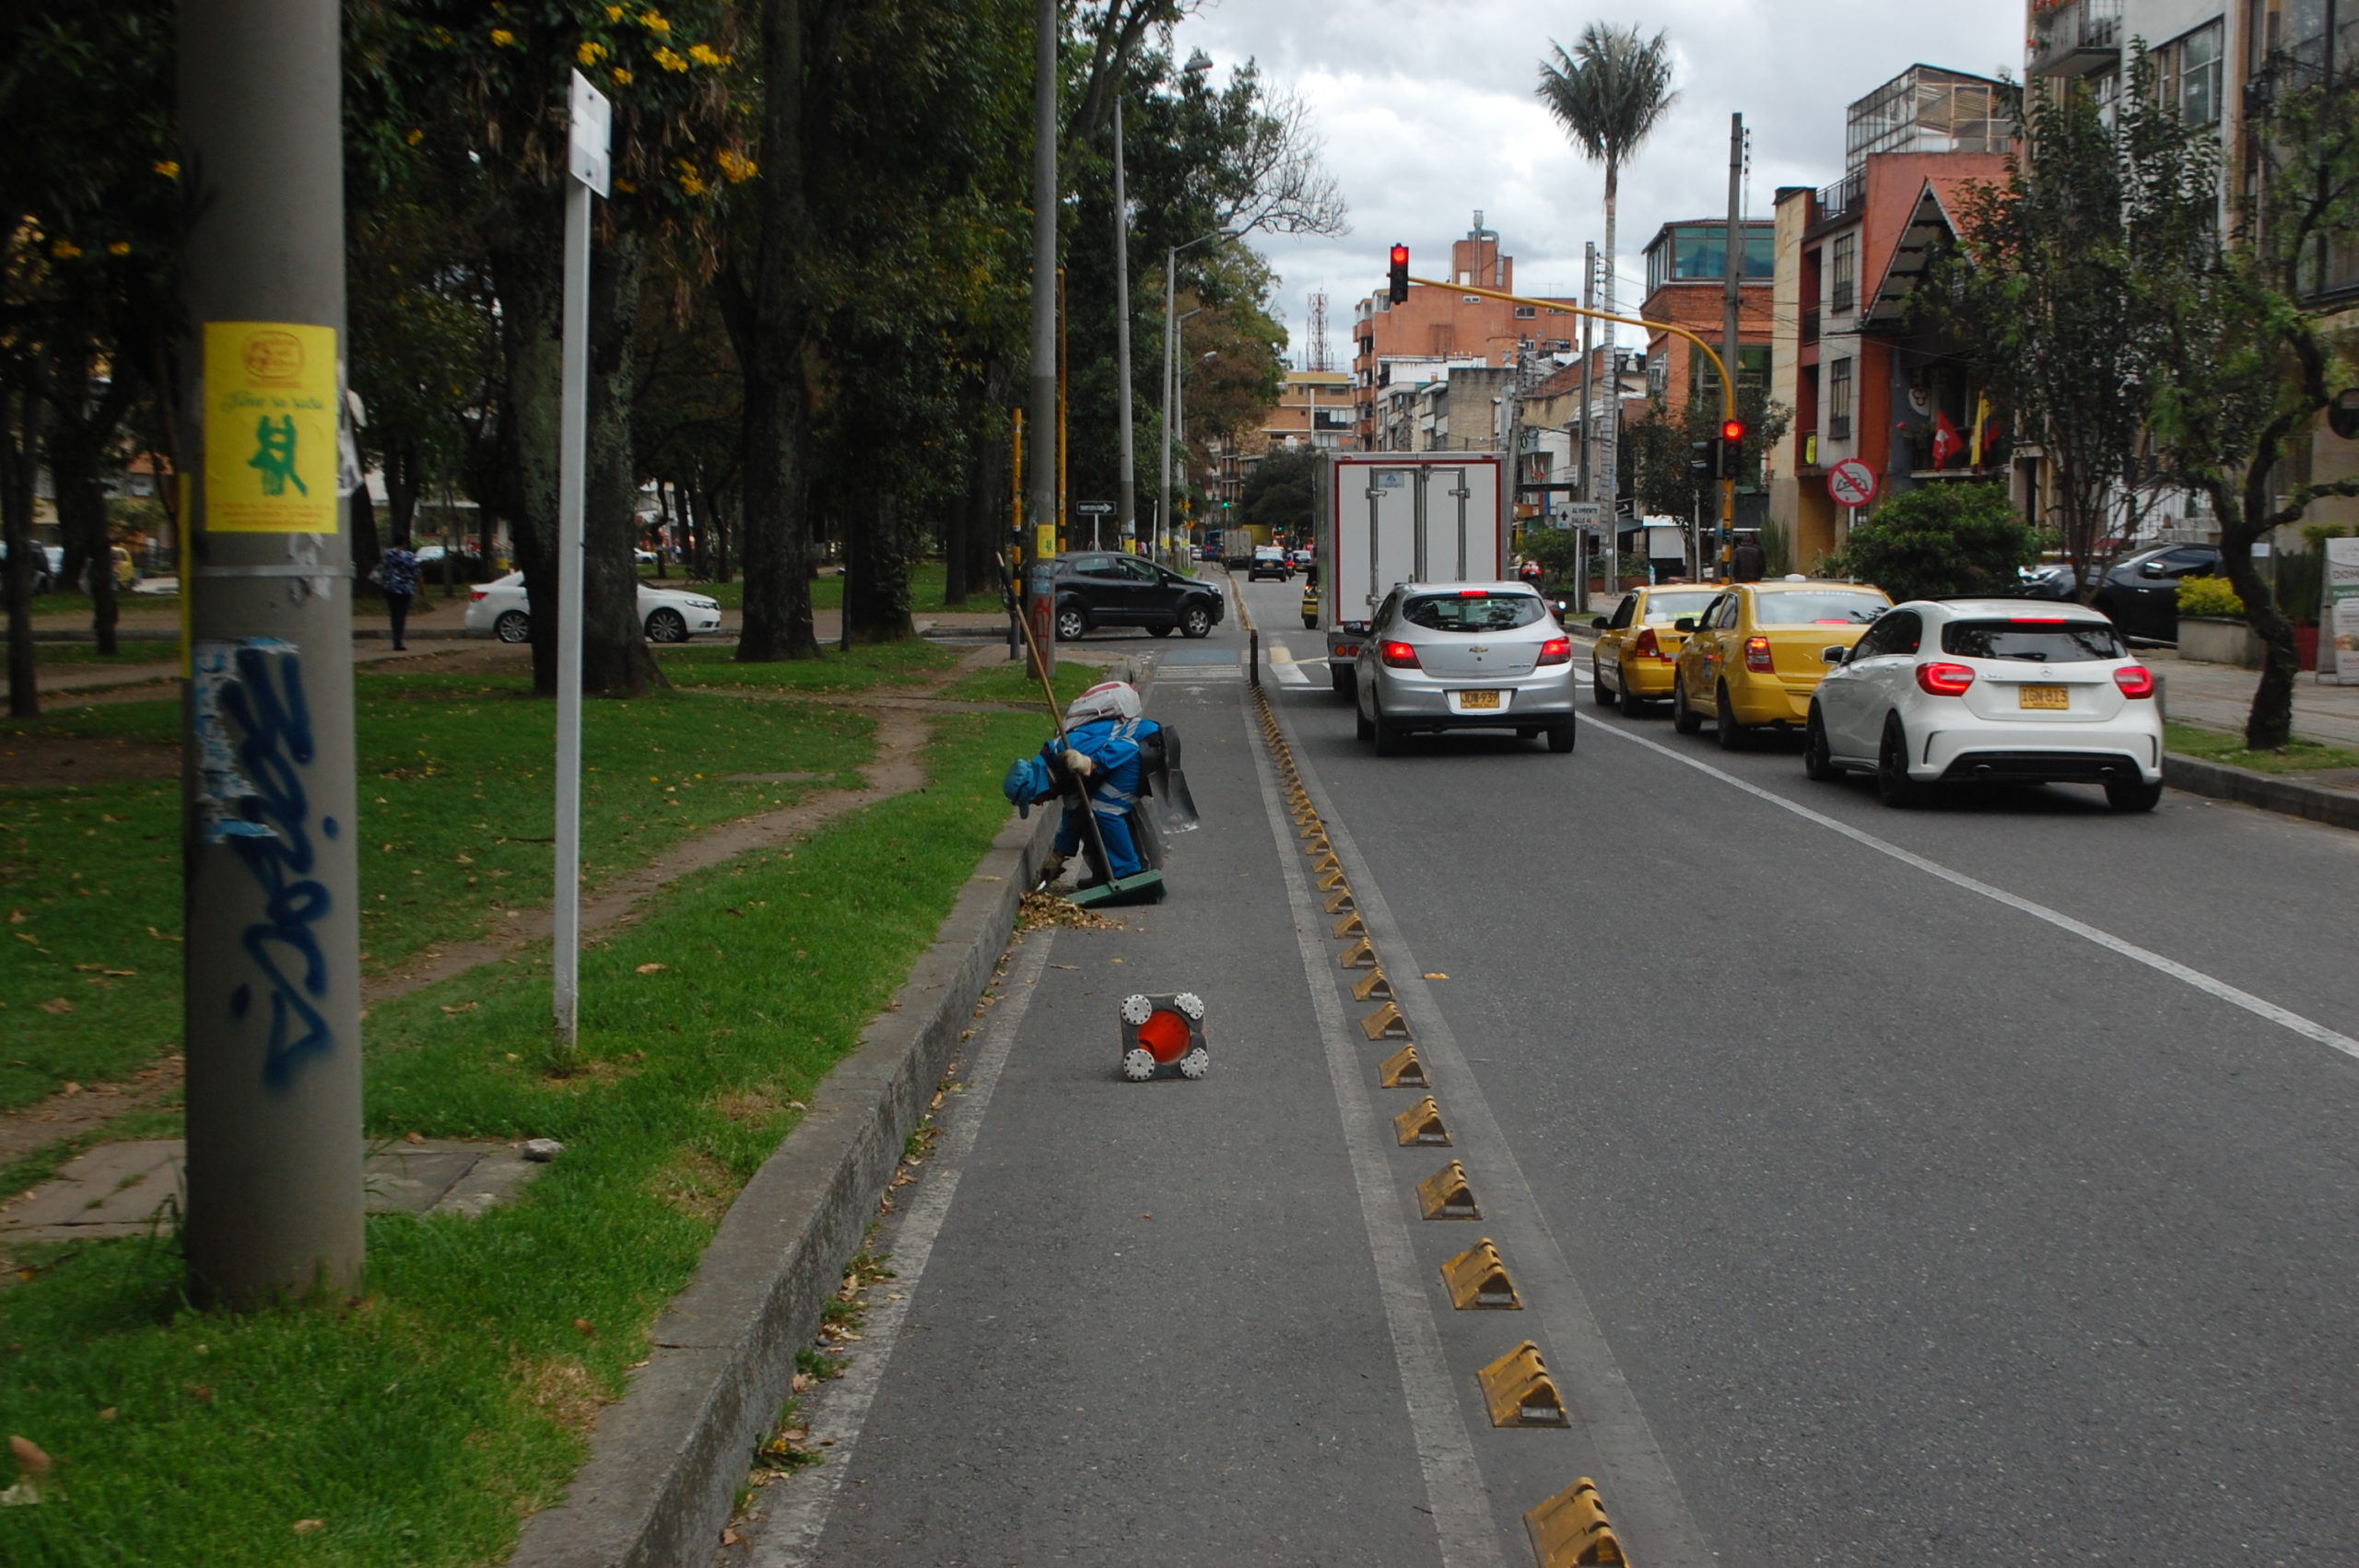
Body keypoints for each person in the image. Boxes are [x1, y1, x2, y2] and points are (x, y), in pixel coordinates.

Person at [1045, 680, 1147, 883]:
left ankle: (1128, 872)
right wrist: (1058, 854)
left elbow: (1128, 746)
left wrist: (1092, 763)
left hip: (1141, 748)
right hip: (1135, 750)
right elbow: (1073, 815)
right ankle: (1104, 873)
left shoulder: (1070, 748)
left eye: (1036, 799)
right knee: (1088, 812)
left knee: (1104, 808)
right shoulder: (1064, 765)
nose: (1039, 804)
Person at [379, 541, 420, 650]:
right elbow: (417, 572)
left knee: (393, 615)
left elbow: (381, 571)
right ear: (404, 544)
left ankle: (395, 640)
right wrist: (422, 588)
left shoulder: (387, 555)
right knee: (401, 616)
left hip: (391, 589)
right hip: (406, 589)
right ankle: (399, 642)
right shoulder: (410, 556)